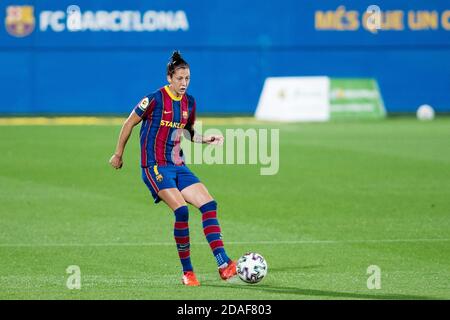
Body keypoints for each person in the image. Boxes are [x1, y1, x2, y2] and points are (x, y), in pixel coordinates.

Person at [109, 51, 237, 286]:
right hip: (154, 166)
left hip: (178, 165)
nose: (184, 83)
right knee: (182, 211)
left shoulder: (189, 102)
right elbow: (129, 122)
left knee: (209, 205)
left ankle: (223, 263)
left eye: (187, 78)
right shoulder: (154, 99)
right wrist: (119, 154)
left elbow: (187, 131)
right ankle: (188, 272)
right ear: (170, 77)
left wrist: (204, 139)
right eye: (179, 78)